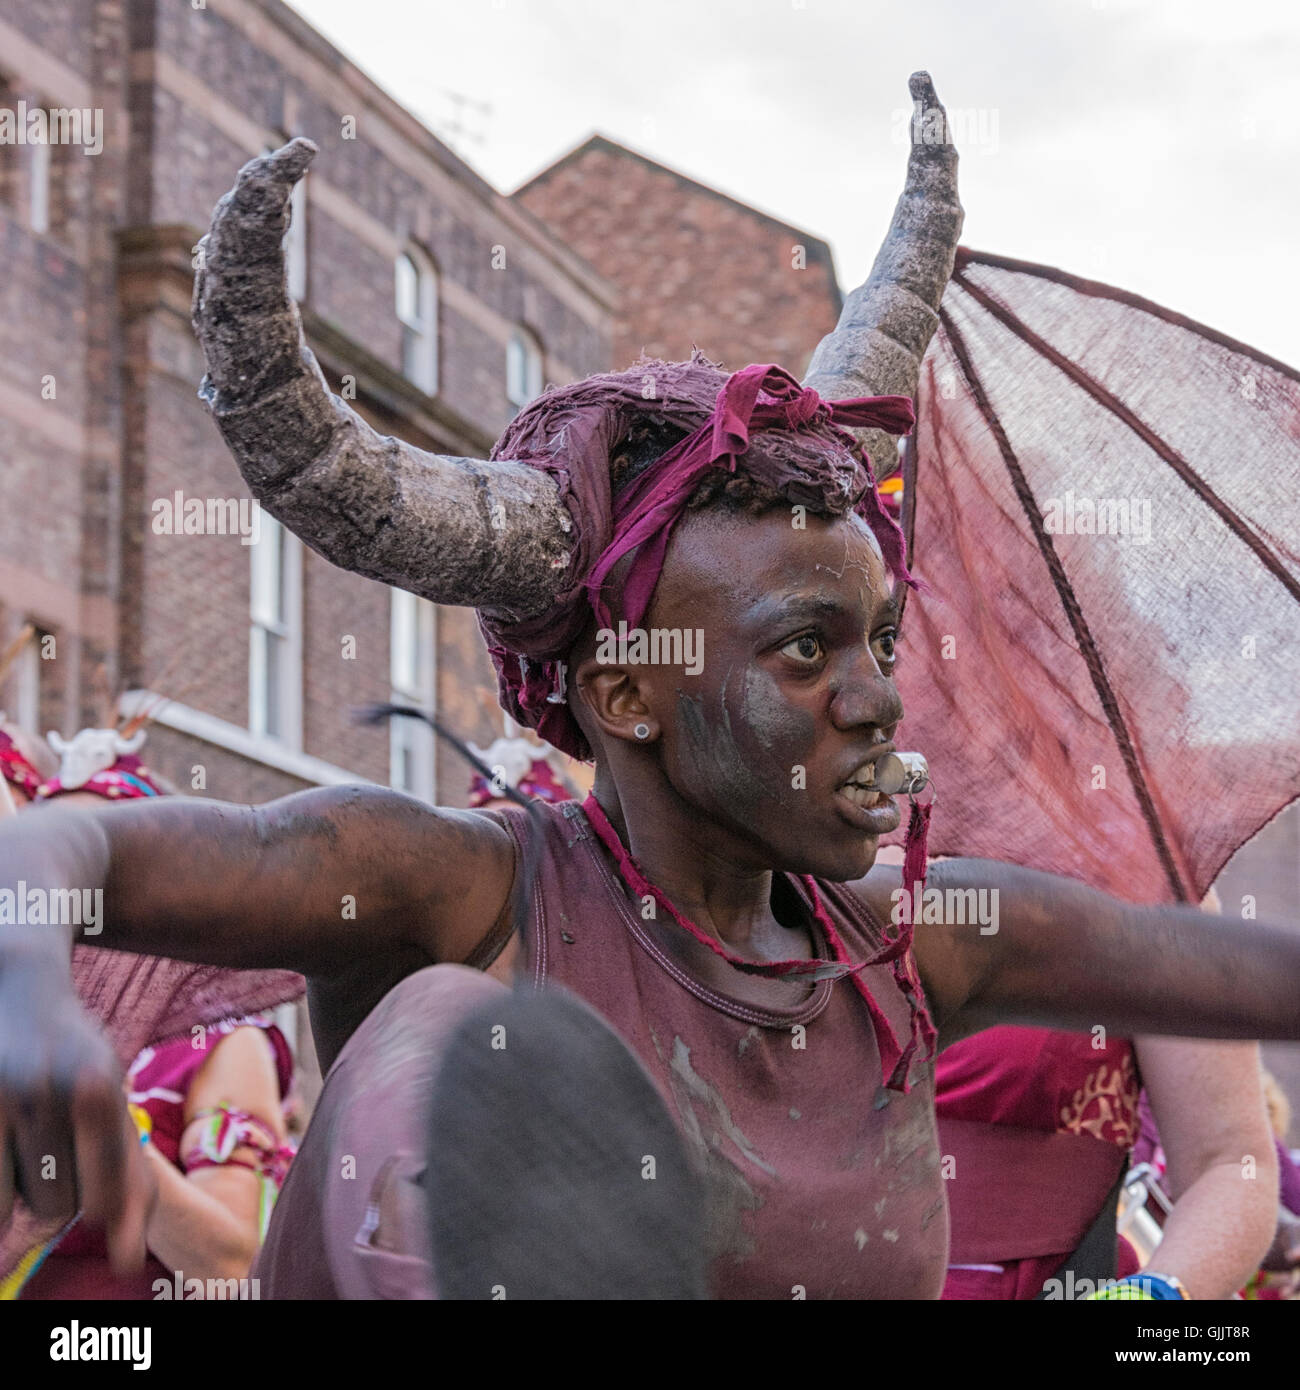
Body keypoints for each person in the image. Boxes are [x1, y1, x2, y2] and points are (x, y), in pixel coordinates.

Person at [4, 360, 1300, 1300]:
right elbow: (64, 855)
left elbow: (1226, 971)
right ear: (627, 692)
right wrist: (28, 994)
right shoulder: (460, 890)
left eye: (882, 639)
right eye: (808, 648)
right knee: (445, 1025)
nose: (878, 699)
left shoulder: (922, 938)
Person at [0, 717, 298, 1299]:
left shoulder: (222, 1038)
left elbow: (233, 1267)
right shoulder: (18, 1018)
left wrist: (113, 1133)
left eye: (95, 862)